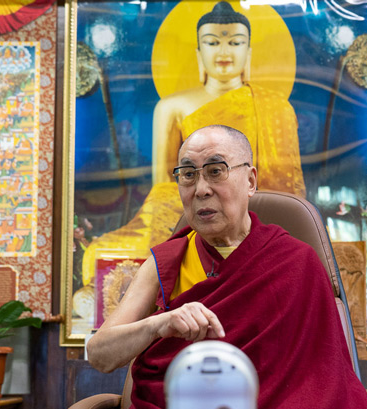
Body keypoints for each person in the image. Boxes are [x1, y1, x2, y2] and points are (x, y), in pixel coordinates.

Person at [86, 125, 367, 409]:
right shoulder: (166, 263)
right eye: (188, 175)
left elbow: (322, 381)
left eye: (215, 171)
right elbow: (100, 355)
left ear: (250, 181)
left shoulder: (297, 262)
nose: (201, 189)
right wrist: (158, 325)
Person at [79, 2, 305, 313]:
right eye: (213, 42)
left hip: (257, 219)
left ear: (249, 52)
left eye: (235, 42)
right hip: (184, 216)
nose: (224, 51)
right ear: (199, 52)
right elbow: (166, 184)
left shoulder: (276, 107)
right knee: (101, 250)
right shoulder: (172, 106)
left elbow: (288, 186)